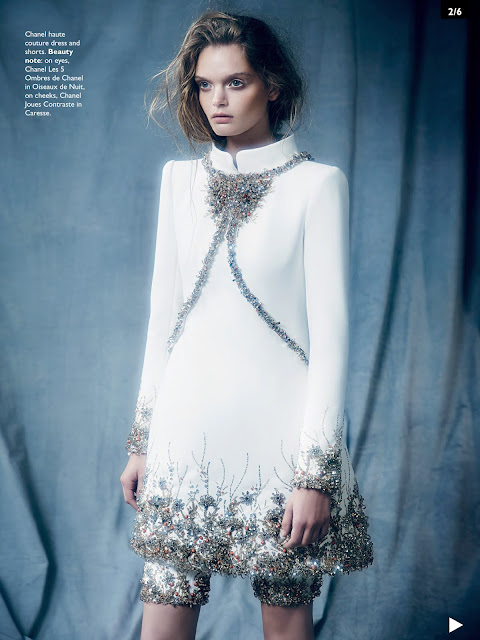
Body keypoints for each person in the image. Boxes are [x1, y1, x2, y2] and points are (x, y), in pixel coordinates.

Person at [120, 10, 373, 640]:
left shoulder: (317, 186)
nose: (218, 100)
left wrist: (316, 476)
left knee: (286, 624)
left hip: (283, 450)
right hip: (182, 441)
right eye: (205, 85)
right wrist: (141, 442)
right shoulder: (178, 181)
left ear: (273, 86)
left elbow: (332, 343)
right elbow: (162, 323)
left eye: (236, 82)